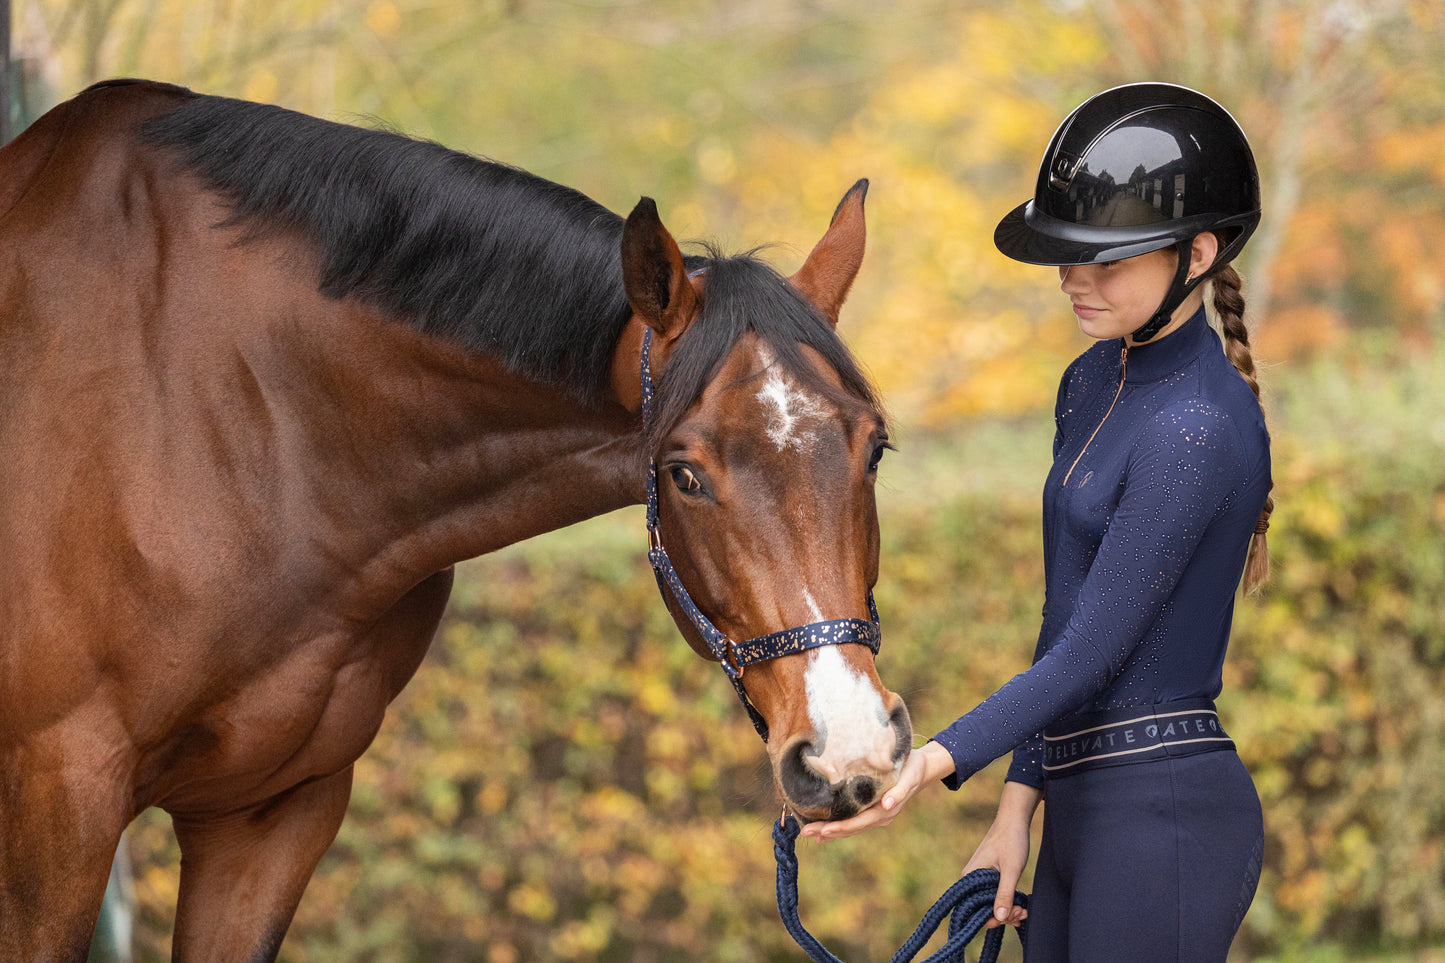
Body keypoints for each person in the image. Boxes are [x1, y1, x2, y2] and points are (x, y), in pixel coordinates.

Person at [801, 83, 1273, 962]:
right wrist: (1015, 810)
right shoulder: (1089, 382)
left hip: (1162, 817)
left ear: (1198, 252)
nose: (1072, 279)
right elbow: (1062, 629)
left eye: (1106, 260)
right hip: (1075, 807)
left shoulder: (1199, 425)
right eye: (1067, 255)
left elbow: (1096, 653)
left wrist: (929, 761)